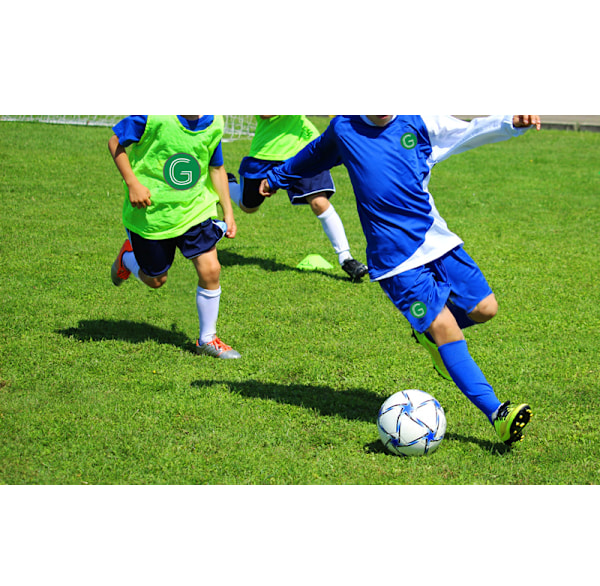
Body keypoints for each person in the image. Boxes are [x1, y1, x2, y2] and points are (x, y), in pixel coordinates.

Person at [260, 115, 542, 445]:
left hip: (437, 241)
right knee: (445, 327)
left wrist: (511, 121)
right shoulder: (345, 127)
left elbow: (470, 131)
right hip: (396, 262)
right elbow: (314, 154)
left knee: (485, 308)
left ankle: (429, 334)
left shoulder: (419, 119)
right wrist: (276, 177)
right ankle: (498, 414)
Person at [108, 115, 241, 359]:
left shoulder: (214, 122)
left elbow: (216, 167)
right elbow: (115, 141)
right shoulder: (153, 116)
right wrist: (132, 183)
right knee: (156, 279)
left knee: (211, 269)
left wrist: (228, 211)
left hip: (195, 210)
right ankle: (127, 258)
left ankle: (207, 339)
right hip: (152, 215)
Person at [228, 115, 368, 282]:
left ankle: (346, 258)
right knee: (248, 206)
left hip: (302, 149)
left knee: (319, 202)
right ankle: (225, 182)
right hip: (266, 151)